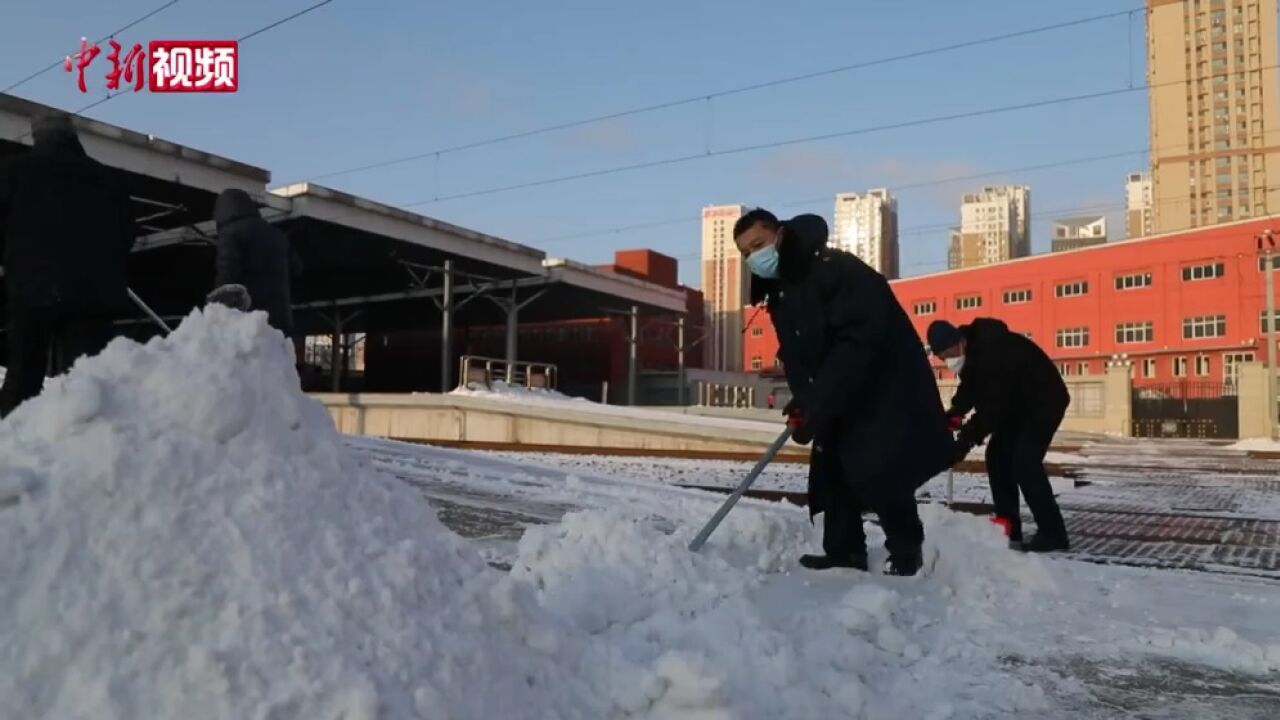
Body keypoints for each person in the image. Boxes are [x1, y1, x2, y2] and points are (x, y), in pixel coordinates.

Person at [736, 209, 954, 576]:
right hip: (837, 390)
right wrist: (805, 400)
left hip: (881, 387)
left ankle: (906, 552)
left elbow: (857, 340)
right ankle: (843, 551)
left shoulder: (835, 269)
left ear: (781, 234)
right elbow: (800, 356)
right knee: (833, 468)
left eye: (758, 245)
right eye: (746, 253)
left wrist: (818, 398)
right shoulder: (782, 292)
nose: (754, 258)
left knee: (880, 469)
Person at [0, 113, 136, 418]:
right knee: (85, 380)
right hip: (93, 293)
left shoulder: (15, 171)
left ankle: (11, 447)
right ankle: (87, 451)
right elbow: (128, 232)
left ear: (37, 136)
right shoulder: (109, 179)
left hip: (33, 288)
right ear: (72, 136)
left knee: (24, 376)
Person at [927, 318, 1071, 553]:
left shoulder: (993, 350)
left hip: (1044, 400)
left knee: (1025, 462)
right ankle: (1008, 525)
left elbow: (992, 409)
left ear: (960, 341)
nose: (948, 360)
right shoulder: (972, 355)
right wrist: (955, 413)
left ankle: (1053, 534)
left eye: (950, 352)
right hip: (1017, 403)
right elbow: (971, 388)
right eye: (943, 357)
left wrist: (964, 441)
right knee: (997, 456)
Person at [209, 188, 299, 338]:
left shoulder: (231, 233)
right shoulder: (277, 235)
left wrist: (214, 309)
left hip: (251, 323)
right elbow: (297, 268)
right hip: (281, 321)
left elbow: (227, 274)